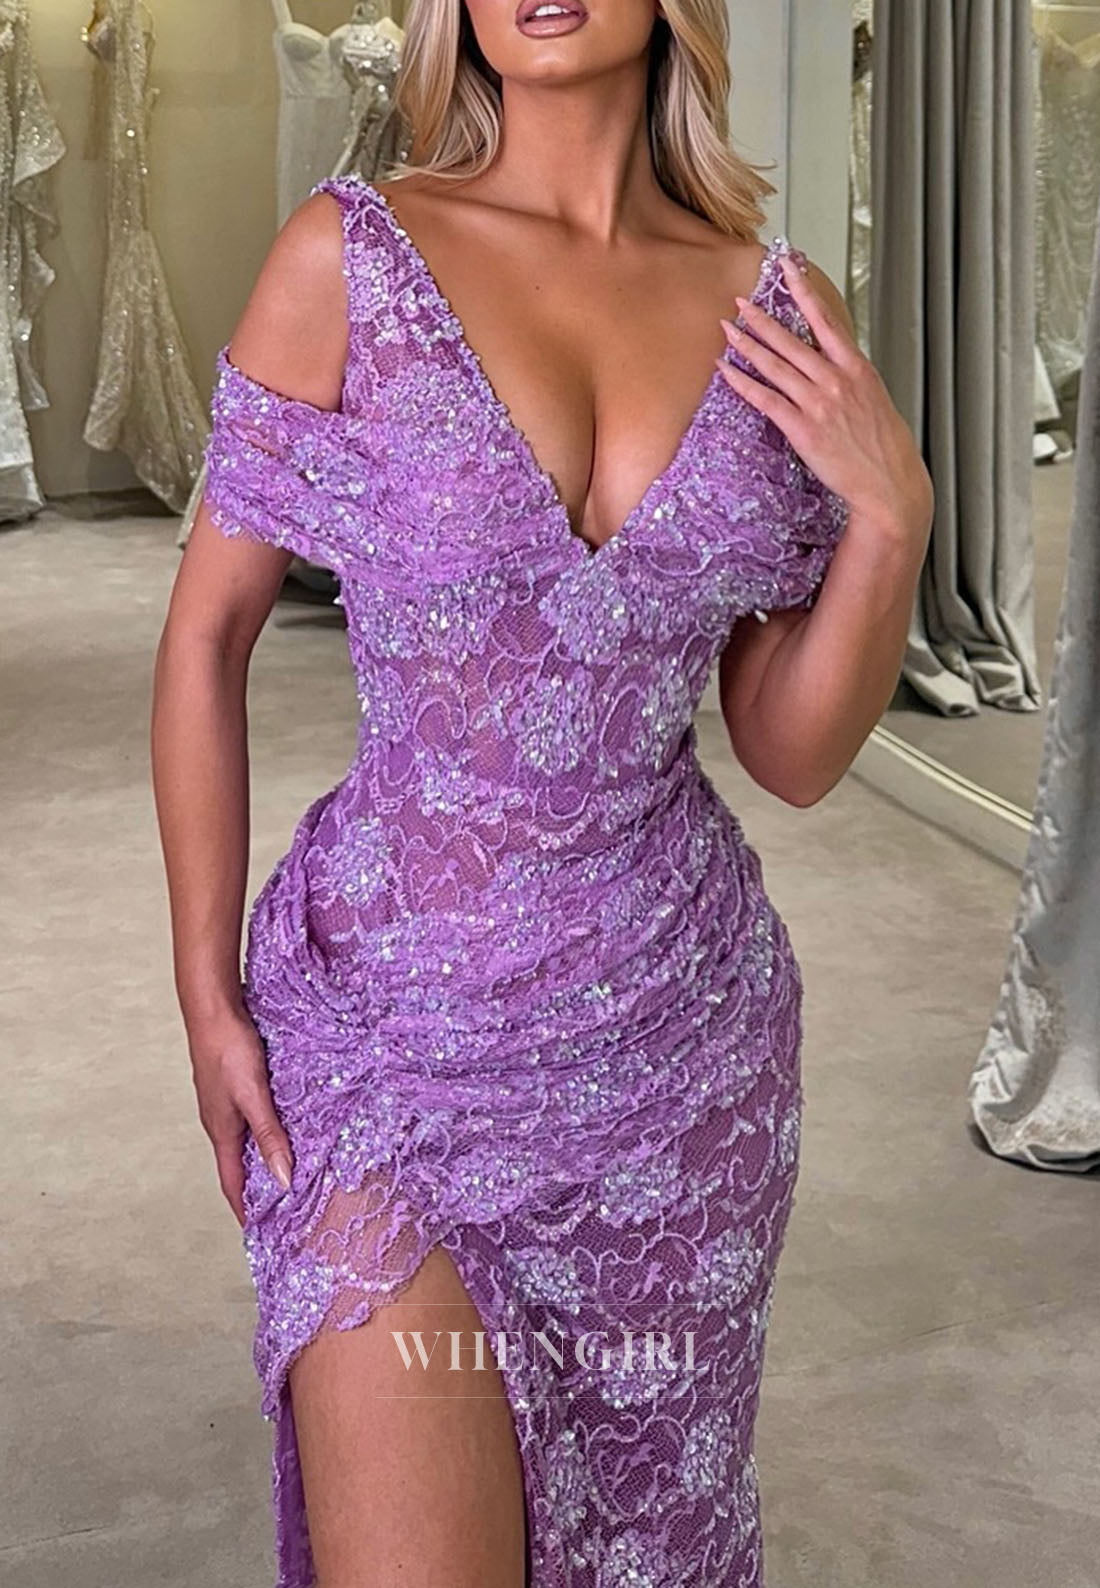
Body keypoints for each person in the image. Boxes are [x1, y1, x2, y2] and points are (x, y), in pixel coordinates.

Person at [151, 0, 933, 1583]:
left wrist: (892, 519)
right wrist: (204, 994)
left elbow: (787, 750)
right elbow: (206, 638)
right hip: (381, 1040)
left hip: (676, 1061)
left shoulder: (773, 309)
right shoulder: (350, 259)